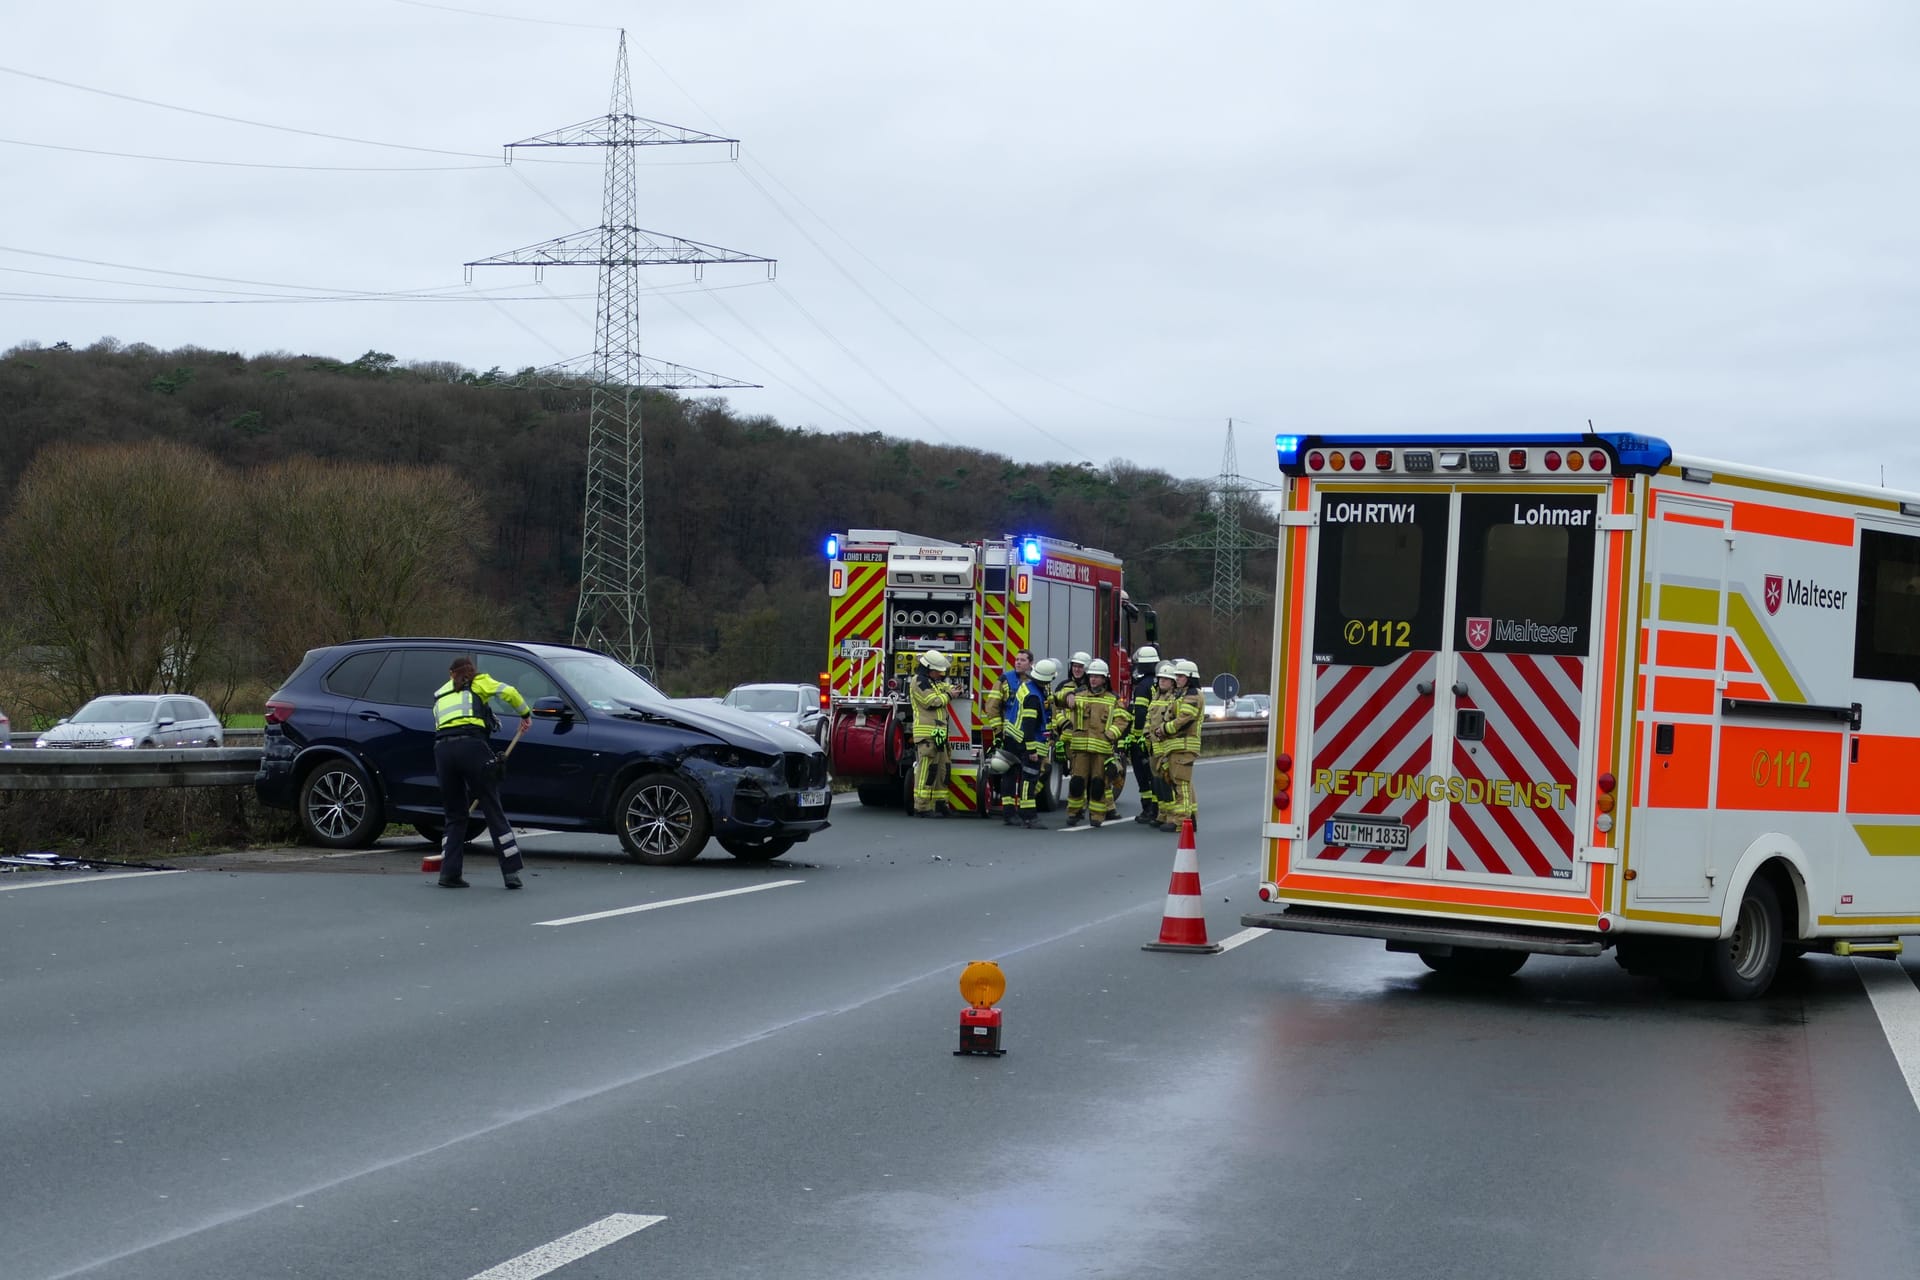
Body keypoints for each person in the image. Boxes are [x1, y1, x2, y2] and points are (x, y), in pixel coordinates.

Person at [431, 655, 532, 888]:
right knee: (492, 807)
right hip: (472, 748)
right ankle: (511, 873)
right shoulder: (479, 682)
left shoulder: (440, 693)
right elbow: (510, 693)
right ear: (471, 670)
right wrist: (525, 715)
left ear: (450, 673)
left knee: (455, 815)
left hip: (443, 752)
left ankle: (449, 873)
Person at [1061, 658, 1129, 827]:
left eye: (1097, 677)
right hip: (1080, 748)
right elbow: (1056, 700)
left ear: (1104, 679)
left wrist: (1110, 735)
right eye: (1091, 676)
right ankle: (1074, 813)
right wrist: (1067, 694)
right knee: (1077, 782)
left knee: (1099, 783)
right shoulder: (1079, 694)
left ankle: (1097, 815)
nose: (1093, 679)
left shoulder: (1112, 699)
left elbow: (1123, 719)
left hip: (1101, 749)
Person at [988, 649, 1049, 827]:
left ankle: (1024, 809)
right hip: (1014, 734)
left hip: (1028, 734)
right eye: (1016, 659)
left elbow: (1048, 707)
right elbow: (992, 706)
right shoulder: (1006, 680)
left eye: (1022, 660)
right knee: (1013, 772)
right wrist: (998, 732)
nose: (1018, 662)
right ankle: (1014, 813)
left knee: (1037, 772)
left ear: (1031, 664)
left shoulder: (1036, 683)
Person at [1156, 659, 1205, 834]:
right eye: (1176, 675)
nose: (1177, 678)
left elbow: (1183, 721)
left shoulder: (1192, 695)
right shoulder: (1183, 694)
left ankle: (1181, 822)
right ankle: (1189, 818)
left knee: (1181, 785)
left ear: (1190, 677)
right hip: (1177, 746)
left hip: (1184, 746)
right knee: (1183, 783)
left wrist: (1163, 729)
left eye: (1181, 676)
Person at [908, 650, 956, 817]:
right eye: (938, 671)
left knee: (943, 767)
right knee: (927, 770)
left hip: (939, 732)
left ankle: (940, 802)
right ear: (928, 668)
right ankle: (921, 807)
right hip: (927, 733)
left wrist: (952, 689)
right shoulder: (919, 682)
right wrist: (949, 695)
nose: (941, 674)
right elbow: (932, 702)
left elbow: (945, 688)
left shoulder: (933, 682)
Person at [1126, 645, 1162, 825]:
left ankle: (1149, 809)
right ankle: (1158, 809)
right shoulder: (1160, 683)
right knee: (1155, 774)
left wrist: (1134, 737)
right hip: (1156, 737)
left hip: (1141, 739)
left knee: (1143, 776)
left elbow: (1139, 713)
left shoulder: (1142, 687)